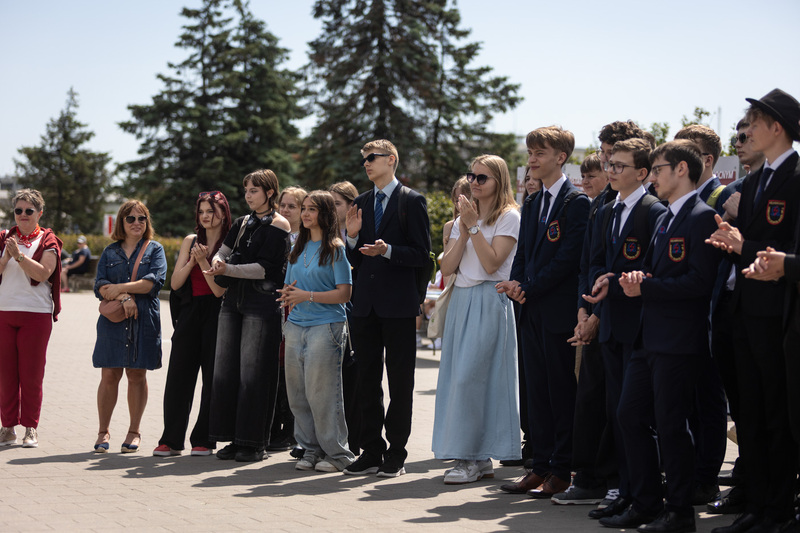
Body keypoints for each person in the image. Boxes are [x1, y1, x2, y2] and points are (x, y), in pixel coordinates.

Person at [599, 140, 721, 532]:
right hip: (648, 337)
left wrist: (647, 286)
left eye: (658, 169)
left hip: (678, 340)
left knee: (671, 424)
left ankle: (680, 512)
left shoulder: (702, 217)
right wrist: (631, 279)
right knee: (630, 415)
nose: (652, 177)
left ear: (681, 169)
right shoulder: (667, 216)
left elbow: (700, 282)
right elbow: (656, 272)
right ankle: (646, 503)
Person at [706, 89, 800, 533]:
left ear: (776, 127)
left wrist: (746, 247)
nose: (745, 132)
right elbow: (755, 243)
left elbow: (787, 249)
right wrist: (733, 243)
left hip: (779, 316)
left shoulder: (795, 177)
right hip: (745, 310)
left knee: (776, 416)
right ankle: (757, 508)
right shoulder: (758, 178)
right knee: (752, 416)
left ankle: (777, 510)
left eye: (754, 124)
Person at [496, 126, 589, 498]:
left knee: (559, 392)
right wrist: (518, 284)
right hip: (530, 310)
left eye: (540, 153)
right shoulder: (533, 202)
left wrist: (529, 287)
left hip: (558, 312)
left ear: (560, 158)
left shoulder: (575, 202)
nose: (531, 160)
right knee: (536, 393)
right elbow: (523, 254)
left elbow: (568, 259)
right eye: (530, 152)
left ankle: (561, 470)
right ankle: (540, 466)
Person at [343, 139, 431, 477]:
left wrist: (388, 250)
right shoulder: (361, 203)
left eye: (372, 157)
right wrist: (352, 237)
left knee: (399, 382)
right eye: (363, 158)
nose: (366, 163)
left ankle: (396, 453)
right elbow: (354, 259)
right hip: (365, 306)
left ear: (391, 159)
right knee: (366, 381)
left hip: (398, 306)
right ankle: (371, 450)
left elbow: (421, 254)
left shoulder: (412, 201)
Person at [433, 154, 520, 484]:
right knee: (459, 378)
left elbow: (491, 263)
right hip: (461, 300)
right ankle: (477, 458)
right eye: (471, 176)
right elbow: (447, 267)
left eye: (482, 178)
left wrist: (472, 227)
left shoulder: (509, 216)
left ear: (499, 181)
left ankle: (469, 457)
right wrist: (466, 226)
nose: (474, 182)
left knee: (472, 379)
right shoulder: (465, 217)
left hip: (489, 297)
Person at [205, 169, 291, 463]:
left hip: (261, 303)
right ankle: (233, 438)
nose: (248, 195)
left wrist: (227, 269)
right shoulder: (242, 222)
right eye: (246, 190)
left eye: (254, 190)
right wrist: (218, 261)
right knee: (227, 370)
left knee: (254, 373)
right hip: (233, 301)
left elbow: (265, 269)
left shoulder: (280, 224)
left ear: (270, 192)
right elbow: (223, 251)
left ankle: (254, 443)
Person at [278, 190, 355, 473]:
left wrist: (307, 296)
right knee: (298, 394)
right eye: (304, 209)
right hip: (296, 326)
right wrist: (287, 295)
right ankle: (310, 449)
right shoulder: (297, 249)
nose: (306, 214)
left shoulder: (336, 249)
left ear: (325, 214)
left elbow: (344, 294)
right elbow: (290, 287)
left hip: (326, 326)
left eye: (312, 209)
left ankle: (338, 454)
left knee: (322, 394)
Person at [153, 191, 231, 457]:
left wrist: (203, 261)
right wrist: (192, 261)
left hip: (218, 313)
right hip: (189, 312)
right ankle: (171, 440)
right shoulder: (191, 240)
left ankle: (204, 439)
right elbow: (175, 284)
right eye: (201, 211)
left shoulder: (230, 243)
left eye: (211, 211)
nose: (206, 216)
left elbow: (219, 291)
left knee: (211, 378)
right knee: (179, 376)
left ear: (223, 213)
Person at [92, 200, 167, 453]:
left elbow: (151, 284)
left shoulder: (155, 250)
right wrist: (124, 296)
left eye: (142, 218)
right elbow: (100, 287)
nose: (137, 223)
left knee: (136, 375)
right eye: (131, 218)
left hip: (142, 319)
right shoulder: (109, 252)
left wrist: (118, 288)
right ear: (121, 222)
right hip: (113, 322)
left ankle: (134, 432)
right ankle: (103, 432)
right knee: (109, 375)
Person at [0, 189, 63, 448]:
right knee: (6, 376)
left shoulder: (48, 239)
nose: (23, 215)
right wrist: (6, 256)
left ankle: (30, 428)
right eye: (18, 210)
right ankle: (7, 428)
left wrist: (18, 256)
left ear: (39, 213)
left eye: (29, 211)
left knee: (31, 375)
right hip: (4, 313)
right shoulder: (4, 238)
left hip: (35, 315)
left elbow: (44, 273)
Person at [328, 180, 360, 455]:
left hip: (353, 311)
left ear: (352, 206)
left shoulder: (358, 231)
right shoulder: (321, 232)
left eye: (337, 203)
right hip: (324, 311)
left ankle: (354, 438)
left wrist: (351, 237)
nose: (332, 208)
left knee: (352, 378)